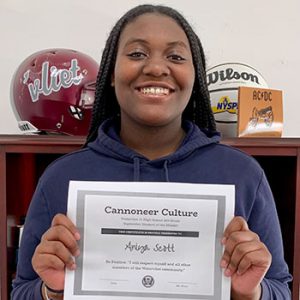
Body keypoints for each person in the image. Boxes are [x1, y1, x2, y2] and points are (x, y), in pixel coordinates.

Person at [11, 4, 292, 300]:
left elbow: (281, 289)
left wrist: (251, 292)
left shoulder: (243, 175)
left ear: (195, 75)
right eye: (136, 54)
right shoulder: (62, 178)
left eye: (175, 56)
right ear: (110, 73)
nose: (157, 68)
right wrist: (52, 290)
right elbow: (22, 292)